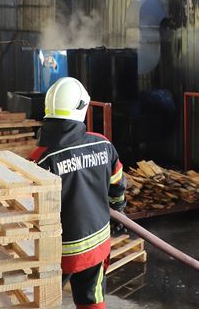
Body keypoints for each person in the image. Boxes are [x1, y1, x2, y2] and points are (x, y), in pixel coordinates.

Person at [30, 77, 127, 309]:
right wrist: (119, 210)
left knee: (46, 301)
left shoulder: (41, 160)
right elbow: (118, 186)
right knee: (92, 299)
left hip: (58, 254)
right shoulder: (104, 145)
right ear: (81, 109)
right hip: (96, 246)